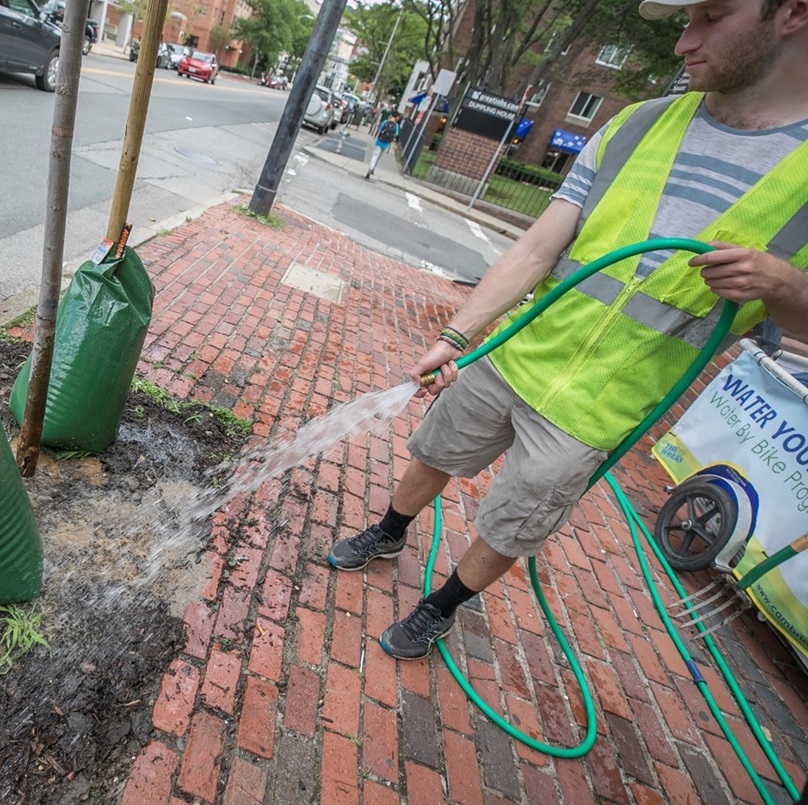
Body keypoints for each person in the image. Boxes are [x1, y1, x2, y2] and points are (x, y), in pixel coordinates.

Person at [328, 0, 808, 660]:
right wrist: (461, 335)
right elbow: (537, 246)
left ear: (792, 14)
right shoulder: (639, 126)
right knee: (436, 448)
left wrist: (786, 287)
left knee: (516, 520)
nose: (683, 43)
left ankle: (439, 608)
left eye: (712, 17)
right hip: (519, 352)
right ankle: (389, 530)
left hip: (599, 406)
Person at [365, 110, 402, 179]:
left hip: (379, 141)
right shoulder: (396, 125)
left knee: (375, 155)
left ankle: (370, 168)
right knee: (379, 156)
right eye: (398, 117)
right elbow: (396, 134)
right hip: (386, 143)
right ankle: (373, 169)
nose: (399, 118)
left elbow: (379, 129)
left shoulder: (385, 122)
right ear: (396, 117)